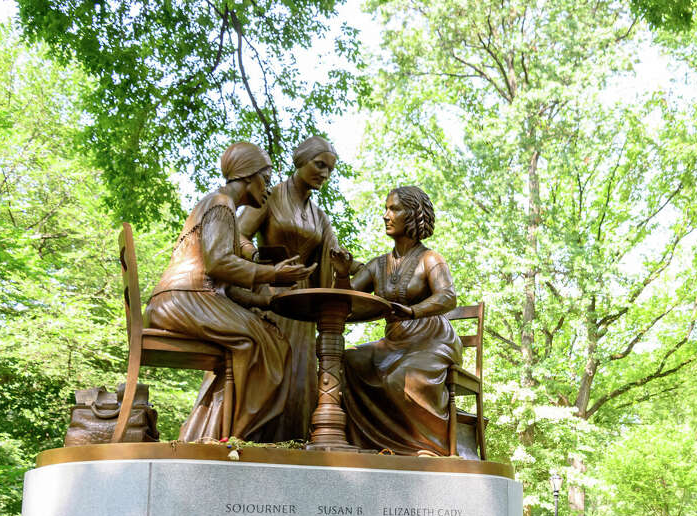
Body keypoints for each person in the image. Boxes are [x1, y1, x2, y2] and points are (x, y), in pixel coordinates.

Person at [145, 141, 314, 441]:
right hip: (184, 299)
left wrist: (267, 299)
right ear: (249, 176)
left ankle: (217, 431)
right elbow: (219, 264)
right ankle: (235, 434)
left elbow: (227, 289)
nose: (268, 187)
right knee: (264, 344)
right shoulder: (221, 204)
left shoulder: (222, 208)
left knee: (271, 338)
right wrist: (273, 273)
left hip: (190, 299)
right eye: (266, 178)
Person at [235, 135, 352, 442]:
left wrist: (348, 265)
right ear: (300, 161)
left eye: (330, 169)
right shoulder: (269, 196)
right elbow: (237, 236)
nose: (324, 173)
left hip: (302, 302)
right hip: (269, 294)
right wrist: (260, 260)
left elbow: (333, 256)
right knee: (271, 367)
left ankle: (291, 439)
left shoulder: (320, 217)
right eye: (319, 165)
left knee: (300, 372)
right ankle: (254, 438)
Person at [336, 185, 465, 456]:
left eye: (394, 208)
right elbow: (345, 300)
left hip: (431, 340)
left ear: (414, 214)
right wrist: (341, 275)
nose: (386, 215)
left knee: (401, 379)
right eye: (386, 209)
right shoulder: (377, 264)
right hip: (394, 342)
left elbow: (448, 296)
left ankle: (428, 446)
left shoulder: (431, 259)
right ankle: (370, 443)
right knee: (349, 360)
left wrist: (413, 312)